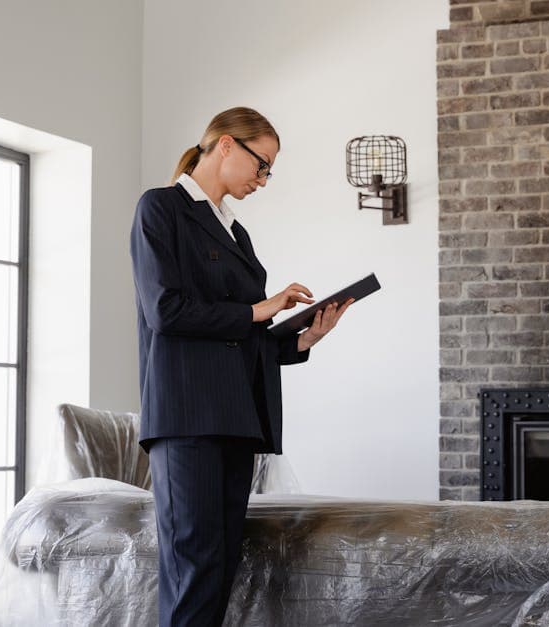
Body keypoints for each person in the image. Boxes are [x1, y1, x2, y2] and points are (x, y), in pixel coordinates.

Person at [129, 106, 352, 626]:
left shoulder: (236, 234)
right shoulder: (160, 209)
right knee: (194, 568)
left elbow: (245, 339)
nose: (264, 179)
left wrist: (304, 338)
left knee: (220, 567)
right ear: (226, 145)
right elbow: (165, 310)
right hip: (187, 419)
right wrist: (258, 309)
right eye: (262, 164)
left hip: (235, 419)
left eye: (268, 170)